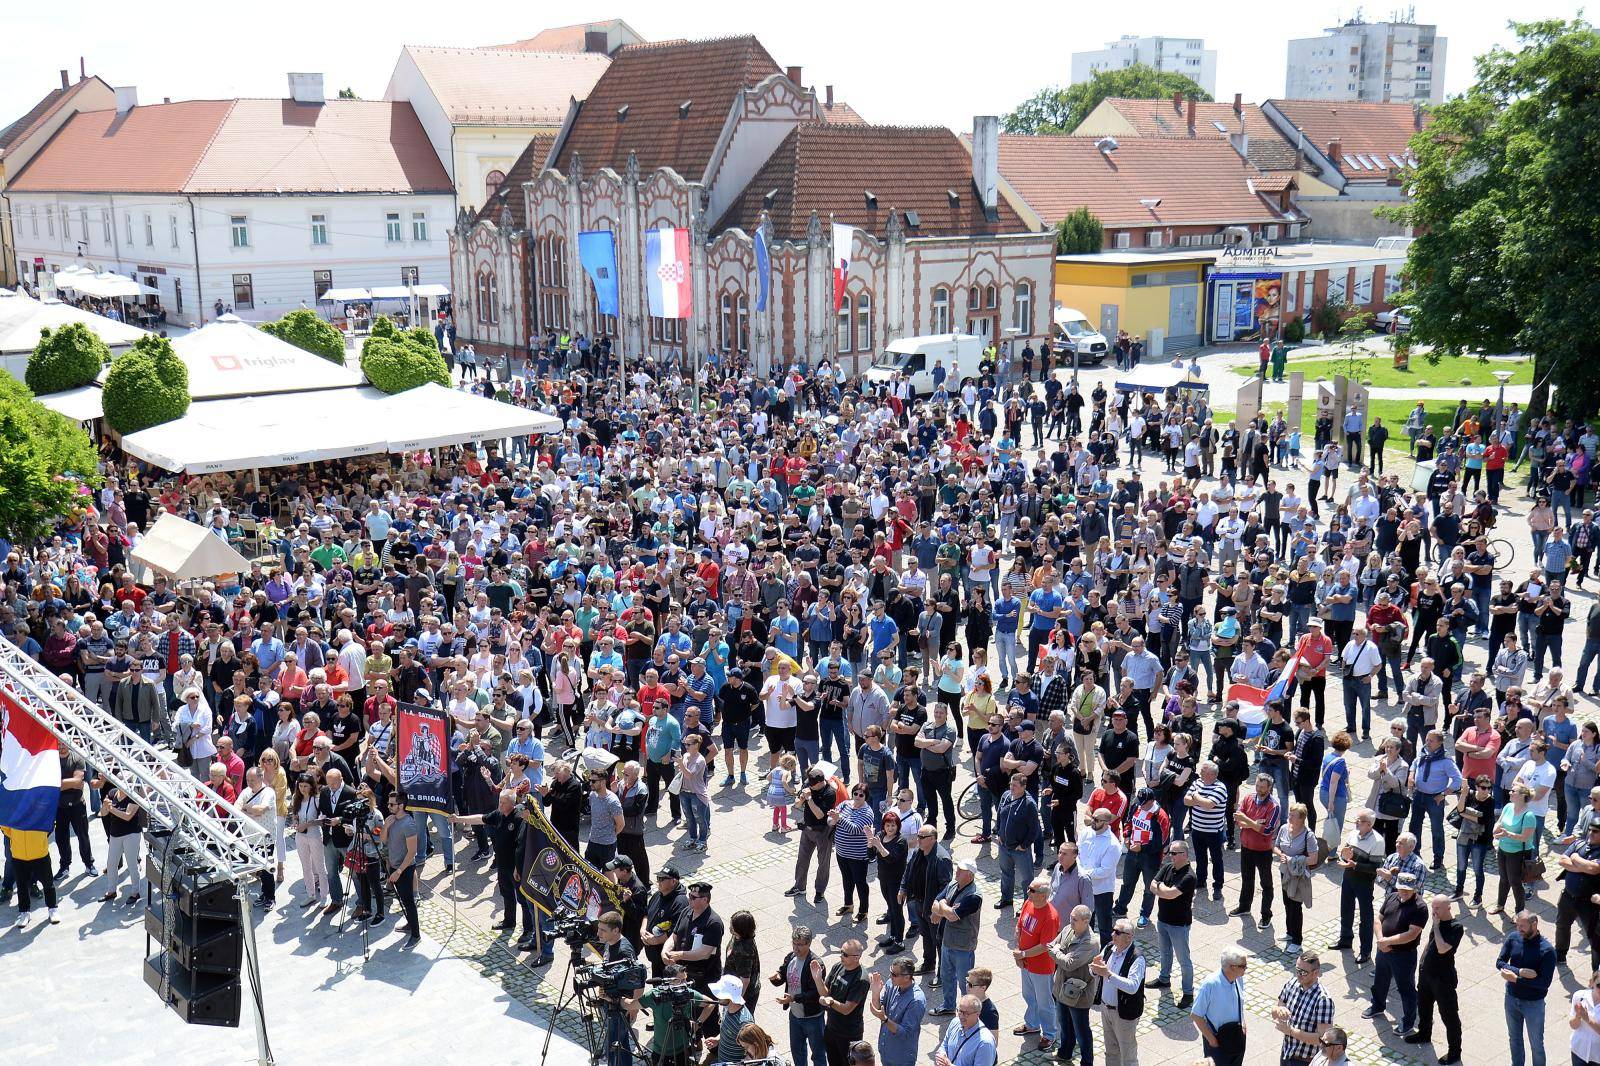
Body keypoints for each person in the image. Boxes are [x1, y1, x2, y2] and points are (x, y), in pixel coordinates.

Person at [1363, 871, 1426, 1035]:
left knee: (1406, 989)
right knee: (1380, 981)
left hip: (1403, 954)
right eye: (1401, 888)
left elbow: (1412, 934)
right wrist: (1381, 940)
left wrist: (1388, 942)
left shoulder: (1420, 907)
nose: (1403, 892)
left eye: (1407, 890)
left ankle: (1408, 1022)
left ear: (1414, 889)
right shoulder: (1392, 897)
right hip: (1383, 949)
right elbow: (1378, 919)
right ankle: (1377, 1006)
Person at [1405, 894, 1463, 1064]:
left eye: (1437, 908)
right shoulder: (1436, 921)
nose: (1434, 911)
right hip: (1427, 975)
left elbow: (1442, 948)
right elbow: (1429, 944)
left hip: (1443, 979)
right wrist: (1421, 964)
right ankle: (1424, 1033)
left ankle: (1454, 1053)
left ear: (1448, 908)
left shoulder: (1456, 926)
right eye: (1433, 907)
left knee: (1449, 1016)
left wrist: (1436, 927)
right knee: (1423, 1007)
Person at [1498, 911, 1557, 1066]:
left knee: (1536, 1044)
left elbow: (1544, 983)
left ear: (1534, 924)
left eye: (1522, 926)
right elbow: (1500, 962)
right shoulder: (1513, 938)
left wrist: (1517, 979)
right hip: (1511, 999)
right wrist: (1520, 972)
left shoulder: (1547, 951)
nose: (1519, 929)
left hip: (1533, 1004)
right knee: (1514, 1039)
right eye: (1517, 925)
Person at [928, 860, 984, 1017]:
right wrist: (944, 907)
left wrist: (943, 907)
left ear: (970, 875)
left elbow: (952, 916)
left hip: (963, 946)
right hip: (947, 940)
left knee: (964, 981)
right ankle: (948, 1005)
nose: (957, 872)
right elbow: (935, 903)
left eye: (961, 870)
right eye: (957, 868)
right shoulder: (953, 884)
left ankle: (968, 1010)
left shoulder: (974, 896)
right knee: (946, 976)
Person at [1145, 838, 1197, 1008]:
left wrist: (1160, 888)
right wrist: (1162, 889)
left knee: (1184, 961)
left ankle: (1188, 992)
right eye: (1170, 852)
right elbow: (1151, 885)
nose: (1170, 856)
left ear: (1184, 855)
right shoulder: (1168, 867)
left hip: (1179, 924)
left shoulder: (1189, 876)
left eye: (1174, 853)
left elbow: (1170, 894)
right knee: (1164, 953)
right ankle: (1164, 979)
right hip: (1163, 919)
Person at [1012, 878, 1061, 1053]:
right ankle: (1032, 1024)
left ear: (1043, 895)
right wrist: (1019, 951)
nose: (1027, 892)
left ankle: (1049, 1033)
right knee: (1028, 995)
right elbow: (1019, 927)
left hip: (1041, 967)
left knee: (1044, 1002)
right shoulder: (1028, 903)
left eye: (1031, 890)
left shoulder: (1051, 916)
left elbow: (1044, 946)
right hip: (1026, 962)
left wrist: (1023, 954)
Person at [1048, 904, 1099, 1066]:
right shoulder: (1068, 929)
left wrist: (1057, 952)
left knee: (1081, 1030)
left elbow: (1069, 963)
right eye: (1071, 917)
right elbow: (1051, 944)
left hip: (1079, 994)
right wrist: (1058, 952)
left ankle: (1087, 1062)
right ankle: (1064, 1053)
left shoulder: (1091, 943)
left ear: (1086, 921)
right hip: (1062, 988)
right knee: (1065, 1024)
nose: (1071, 921)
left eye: (1075, 919)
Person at [1332, 809, 1384, 962]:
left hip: (1364, 883)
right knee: (1345, 910)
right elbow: (1346, 853)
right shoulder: (1353, 834)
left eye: (1359, 821)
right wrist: (1344, 855)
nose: (1356, 822)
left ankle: (1365, 951)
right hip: (1348, 878)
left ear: (1368, 824)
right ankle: (1345, 939)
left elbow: (1375, 867)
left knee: (1365, 917)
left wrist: (1356, 865)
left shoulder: (1378, 841)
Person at [1090, 920, 1144, 1066]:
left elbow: (1132, 986)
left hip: (1124, 1013)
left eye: (1118, 932)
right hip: (1106, 1008)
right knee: (1111, 1051)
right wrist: (1094, 969)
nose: (1113, 934)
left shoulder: (1137, 958)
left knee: (1128, 1055)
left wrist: (1108, 974)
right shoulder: (1109, 948)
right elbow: (1094, 971)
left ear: (1129, 937)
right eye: (1113, 930)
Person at [773, 925, 828, 1066]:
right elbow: (782, 972)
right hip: (795, 1015)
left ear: (809, 944)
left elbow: (815, 993)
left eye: (800, 945)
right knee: (797, 1051)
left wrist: (794, 998)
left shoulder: (815, 964)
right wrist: (777, 977)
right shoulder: (791, 957)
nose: (796, 948)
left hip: (813, 1018)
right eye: (794, 943)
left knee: (818, 1054)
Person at [1273, 952, 1334, 1066]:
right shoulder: (1292, 984)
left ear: (1315, 973)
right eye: (1297, 970)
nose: (1298, 974)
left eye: (1303, 972)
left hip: (1306, 1060)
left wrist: (1290, 1031)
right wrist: (1279, 1011)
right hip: (1287, 1052)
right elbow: (1276, 1010)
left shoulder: (1323, 1000)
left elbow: (1322, 1039)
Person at [1192, 949, 1249, 1066]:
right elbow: (1196, 1015)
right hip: (1218, 1042)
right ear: (1233, 967)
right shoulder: (1210, 984)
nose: (1246, 969)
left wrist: (1243, 1023)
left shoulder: (1238, 978)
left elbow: (1240, 1002)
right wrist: (1212, 1041)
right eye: (1243, 966)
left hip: (1236, 1038)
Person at [819, 938, 870, 1066]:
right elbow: (825, 992)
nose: (841, 956)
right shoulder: (838, 966)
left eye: (845, 954)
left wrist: (830, 1002)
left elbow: (847, 1009)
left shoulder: (861, 979)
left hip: (848, 1034)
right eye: (841, 952)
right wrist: (817, 978)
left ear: (856, 957)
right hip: (832, 1027)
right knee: (833, 1062)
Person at [868, 955, 926, 1066]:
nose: (890, 976)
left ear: (907, 977)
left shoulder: (916, 1001)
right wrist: (875, 993)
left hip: (901, 1058)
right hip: (886, 1051)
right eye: (891, 972)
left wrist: (884, 1020)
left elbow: (905, 1033)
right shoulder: (891, 984)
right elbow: (878, 1009)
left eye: (894, 974)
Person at [931, 994, 998, 1066]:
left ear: (978, 1014)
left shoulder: (985, 1042)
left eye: (966, 1013)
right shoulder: (955, 1022)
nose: (961, 1016)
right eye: (960, 1011)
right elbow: (945, 1044)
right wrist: (941, 1055)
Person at [1568, 969, 1600, 1066]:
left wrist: (1586, 1018)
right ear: (1592, 982)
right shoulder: (1579, 996)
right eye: (1599, 985)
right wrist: (1578, 1016)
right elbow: (1573, 1026)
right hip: (1579, 1051)